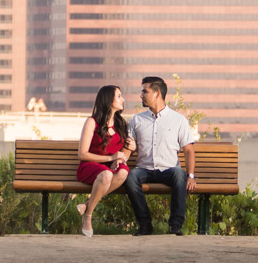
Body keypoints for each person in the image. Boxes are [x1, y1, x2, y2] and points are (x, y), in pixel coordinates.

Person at [121, 76, 197, 236]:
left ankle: (175, 226)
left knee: (179, 175)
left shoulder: (178, 120)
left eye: (144, 91)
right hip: (144, 169)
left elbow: (188, 150)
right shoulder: (136, 120)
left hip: (169, 170)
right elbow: (129, 147)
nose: (141, 95)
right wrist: (120, 161)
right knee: (131, 177)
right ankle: (145, 225)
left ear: (157, 93)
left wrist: (190, 175)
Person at [73, 84, 133, 237]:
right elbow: (82, 154)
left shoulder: (121, 124)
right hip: (90, 167)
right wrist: (110, 158)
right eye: (119, 96)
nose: (123, 99)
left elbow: (123, 153)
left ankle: (86, 205)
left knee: (124, 172)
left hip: (110, 168)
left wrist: (129, 150)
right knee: (106, 175)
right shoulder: (92, 122)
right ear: (108, 99)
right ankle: (88, 216)